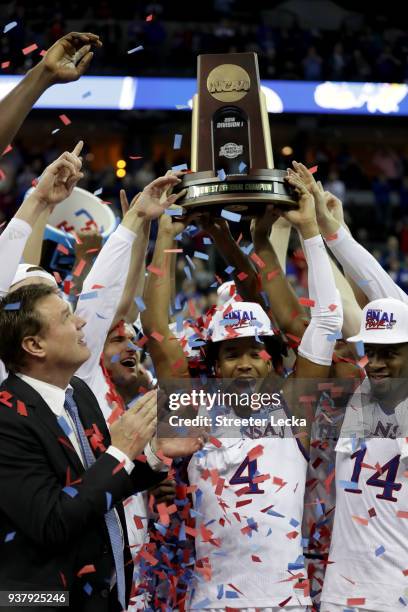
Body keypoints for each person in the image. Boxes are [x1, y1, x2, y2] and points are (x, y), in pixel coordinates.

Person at [143, 171, 343, 610]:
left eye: (255, 352)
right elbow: (157, 333)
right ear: (214, 365)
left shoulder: (294, 411)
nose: (245, 364)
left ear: (272, 360)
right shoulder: (190, 412)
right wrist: (165, 237)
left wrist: (310, 229)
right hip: (210, 603)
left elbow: (327, 322)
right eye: (232, 354)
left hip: (286, 603)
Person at [320, 297, 408, 612]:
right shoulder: (362, 393)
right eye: (370, 352)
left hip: (394, 598)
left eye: (390, 353)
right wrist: (322, 245)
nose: (376, 363)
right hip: (338, 594)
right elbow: (327, 313)